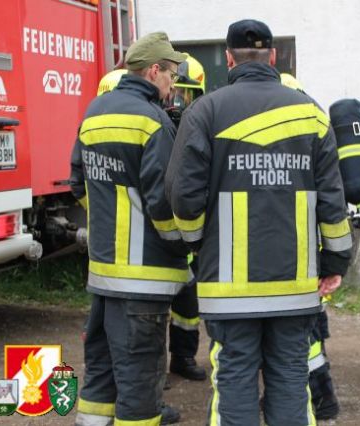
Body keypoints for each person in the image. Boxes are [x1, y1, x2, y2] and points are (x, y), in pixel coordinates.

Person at [165, 19, 352, 426]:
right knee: (291, 378)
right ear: (273, 56)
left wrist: (196, 243)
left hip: (228, 288)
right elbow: (332, 200)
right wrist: (336, 261)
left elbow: (183, 194)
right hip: (294, 284)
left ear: (229, 59)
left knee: (234, 378)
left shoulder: (205, 111)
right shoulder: (311, 113)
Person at [71, 32, 188, 426]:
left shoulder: (95, 111)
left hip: (104, 272)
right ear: (154, 71)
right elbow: (162, 202)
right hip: (144, 276)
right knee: (140, 376)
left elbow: (78, 183)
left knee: (102, 368)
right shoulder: (152, 121)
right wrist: (181, 245)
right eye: (171, 74)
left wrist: (110, 217)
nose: (173, 83)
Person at [280, 72, 341, 420]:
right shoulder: (311, 143)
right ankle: (322, 396)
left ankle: (323, 398)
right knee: (310, 335)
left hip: (296, 264)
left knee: (305, 340)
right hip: (309, 260)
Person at [167, 54, 208, 382]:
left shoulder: (202, 126)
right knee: (153, 305)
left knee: (188, 300)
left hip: (190, 231)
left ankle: (183, 356)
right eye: (176, 93)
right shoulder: (156, 123)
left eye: (188, 95)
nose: (180, 102)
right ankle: (152, 369)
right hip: (159, 230)